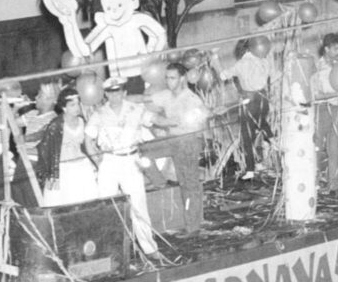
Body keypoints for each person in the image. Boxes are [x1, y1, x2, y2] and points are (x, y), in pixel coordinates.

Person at [85, 78, 160, 257]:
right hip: (109, 161)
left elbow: (155, 119)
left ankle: (150, 249)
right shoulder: (99, 113)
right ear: (106, 94)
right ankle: (110, 251)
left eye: (118, 91)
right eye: (111, 92)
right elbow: (88, 140)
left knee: (138, 205)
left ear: (124, 92)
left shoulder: (136, 109)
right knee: (107, 206)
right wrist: (99, 162)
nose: (115, 95)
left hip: (130, 160)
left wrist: (174, 121)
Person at [148, 63, 210, 232]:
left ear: (182, 78)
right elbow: (145, 100)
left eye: (172, 78)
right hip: (173, 140)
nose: (169, 81)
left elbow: (202, 119)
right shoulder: (166, 95)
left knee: (189, 186)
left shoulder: (191, 99)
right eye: (167, 78)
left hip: (188, 142)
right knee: (142, 152)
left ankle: (193, 228)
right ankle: (159, 181)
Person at [36, 87, 99, 207]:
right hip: (64, 170)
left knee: (87, 202)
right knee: (66, 203)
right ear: (64, 107)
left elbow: (89, 144)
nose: (76, 108)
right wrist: (51, 174)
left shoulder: (83, 122)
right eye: (72, 105)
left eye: (78, 104)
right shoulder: (55, 125)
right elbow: (46, 149)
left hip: (83, 167)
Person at [222, 38, 274, 181]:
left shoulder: (242, 64)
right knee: (261, 124)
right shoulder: (263, 61)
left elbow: (224, 74)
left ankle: (251, 169)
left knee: (247, 136)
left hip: (249, 101)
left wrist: (214, 62)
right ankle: (272, 141)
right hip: (263, 97)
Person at [311, 33, 338, 192]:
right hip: (322, 109)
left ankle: (333, 184)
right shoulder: (318, 68)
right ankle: (314, 183)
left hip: (336, 109)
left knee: (335, 149)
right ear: (326, 49)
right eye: (335, 48)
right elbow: (316, 95)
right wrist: (336, 95)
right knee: (317, 149)